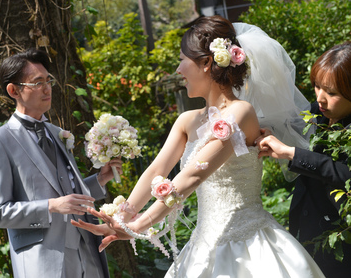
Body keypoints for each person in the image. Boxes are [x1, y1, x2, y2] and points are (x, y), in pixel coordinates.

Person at [72, 16, 325, 277]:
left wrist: (140, 225)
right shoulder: (186, 120)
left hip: (250, 246)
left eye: (182, 60)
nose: (178, 70)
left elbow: (192, 175)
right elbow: (156, 170)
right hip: (202, 245)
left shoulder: (241, 113)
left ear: (206, 62)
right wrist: (123, 217)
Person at [0, 48, 122, 278]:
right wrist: (51, 206)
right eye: (37, 83)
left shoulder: (57, 134)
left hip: (87, 252)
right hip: (42, 261)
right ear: (13, 90)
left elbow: (66, 191)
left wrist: (100, 179)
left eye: (48, 81)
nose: (47, 89)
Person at [256, 42, 351, 277]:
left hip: (341, 238)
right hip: (308, 226)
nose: (321, 98)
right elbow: (283, 121)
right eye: (317, 86)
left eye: (332, 93)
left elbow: (345, 173)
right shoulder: (316, 113)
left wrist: (291, 154)